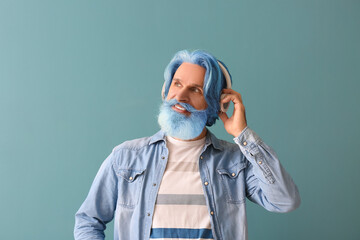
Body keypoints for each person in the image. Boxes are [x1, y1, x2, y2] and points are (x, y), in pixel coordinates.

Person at [74, 50, 301, 240]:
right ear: (166, 90)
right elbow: (88, 221)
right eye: (177, 84)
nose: (180, 96)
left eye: (195, 90)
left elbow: (285, 201)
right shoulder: (125, 157)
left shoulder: (236, 160)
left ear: (215, 104)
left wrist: (243, 134)